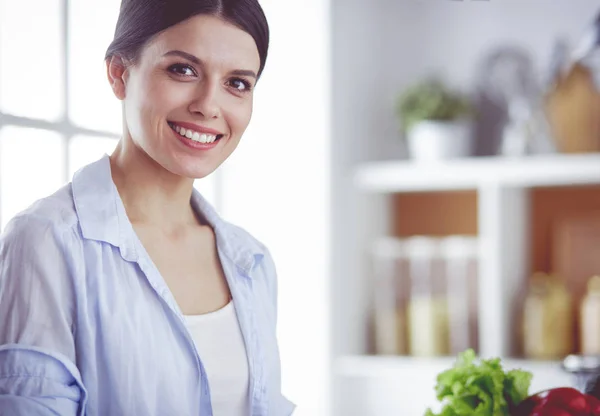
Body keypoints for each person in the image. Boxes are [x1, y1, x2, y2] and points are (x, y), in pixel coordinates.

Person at [0, 0, 294, 415]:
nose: (209, 106)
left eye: (238, 83)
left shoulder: (253, 262)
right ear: (119, 73)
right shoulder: (47, 241)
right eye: (183, 70)